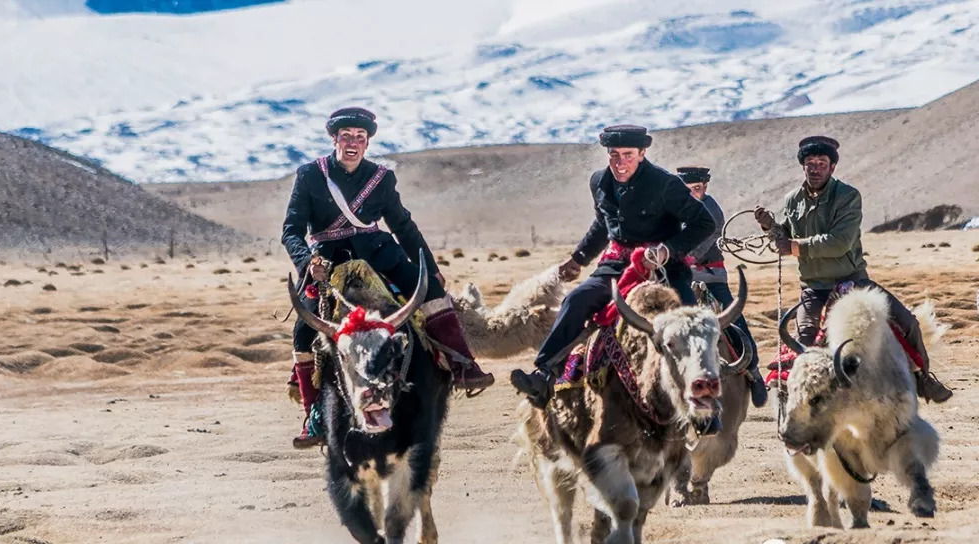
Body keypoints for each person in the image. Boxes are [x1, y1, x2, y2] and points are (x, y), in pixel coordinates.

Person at [282, 107, 495, 448]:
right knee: (303, 328)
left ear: (367, 143)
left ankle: (462, 365)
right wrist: (308, 262)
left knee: (431, 290)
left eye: (360, 138)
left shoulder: (381, 178)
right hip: (327, 261)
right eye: (347, 136)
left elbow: (402, 225)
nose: (353, 143)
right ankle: (314, 416)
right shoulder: (310, 175)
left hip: (380, 253)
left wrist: (428, 262)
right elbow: (291, 229)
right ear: (334, 139)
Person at [510, 125, 716, 408]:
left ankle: (708, 399)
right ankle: (545, 374)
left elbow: (704, 223)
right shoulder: (599, 182)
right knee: (576, 300)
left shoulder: (666, 184)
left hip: (663, 268)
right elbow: (602, 225)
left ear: (642, 154)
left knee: (689, 319)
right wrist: (578, 258)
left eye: (628, 155)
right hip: (616, 265)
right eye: (614, 155)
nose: (620, 163)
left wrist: (667, 249)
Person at [754, 136, 952, 403]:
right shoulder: (793, 200)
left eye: (821, 163)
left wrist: (793, 246)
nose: (815, 168)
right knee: (803, 339)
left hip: (852, 281)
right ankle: (797, 397)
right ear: (803, 166)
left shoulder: (847, 196)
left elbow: (840, 242)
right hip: (814, 288)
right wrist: (770, 228)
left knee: (907, 322)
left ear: (832, 167)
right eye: (810, 163)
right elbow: (785, 237)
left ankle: (922, 377)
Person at [678, 166, 768, 408]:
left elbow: (696, 248)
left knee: (733, 317)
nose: (692, 194)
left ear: (705, 187)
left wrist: (674, 256)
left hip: (710, 276)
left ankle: (754, 372)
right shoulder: (675, 207)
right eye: (687, 190)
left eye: (696, 189)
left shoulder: (712, 212)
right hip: (679, 274)